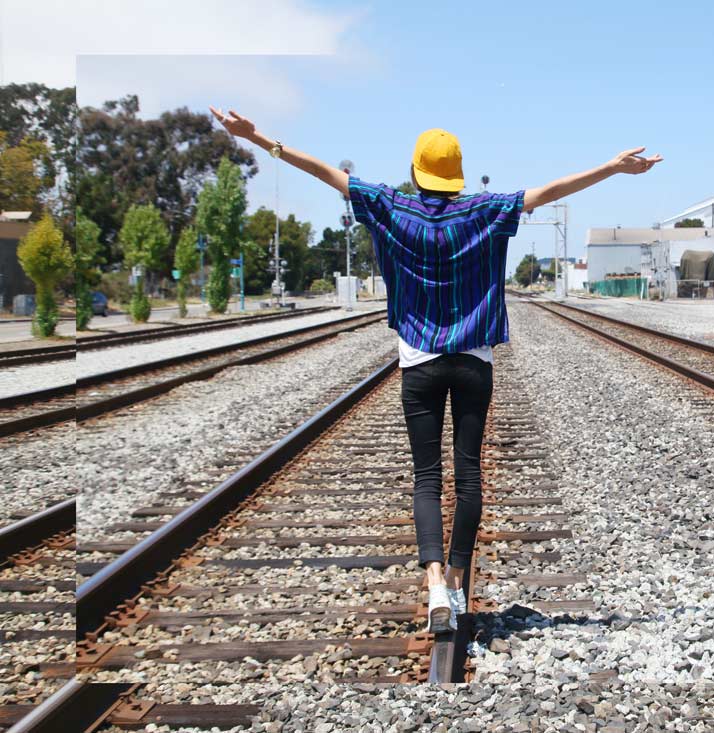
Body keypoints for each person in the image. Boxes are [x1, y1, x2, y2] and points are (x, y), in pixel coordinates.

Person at [210, 106, 662, 633]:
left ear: (417, 168)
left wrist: (259, 138)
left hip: (419, 362)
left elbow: (323, 171)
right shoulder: (485, 210)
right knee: (467, 474)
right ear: (458, 172)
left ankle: (434, 590)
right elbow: (551, 191)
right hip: (473, 361)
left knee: (428, 476)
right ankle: (456, 574)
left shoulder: (388, 206)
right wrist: (612, 167)